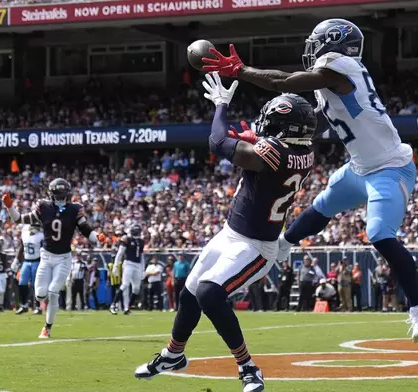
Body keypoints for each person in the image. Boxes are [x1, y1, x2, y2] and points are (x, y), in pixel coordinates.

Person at [203, 18, 418, 341]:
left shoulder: (339, 68)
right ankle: (283, 246)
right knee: (321, 206)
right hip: (360, 167)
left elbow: (283, 80)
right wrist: (257, 135)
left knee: (379, 233)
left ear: (333, 44)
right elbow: (315, 127)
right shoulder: (331, 82)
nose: (312, 49)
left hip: (391, 167)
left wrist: (240, 70)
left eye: (318, 43)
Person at [134, 73, 316, 392]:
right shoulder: (303, 151)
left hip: (257, 246)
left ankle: (248, 367)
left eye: (271, 123)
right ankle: (173, 355)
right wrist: (255, 140)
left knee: (208, 292)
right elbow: (271, 153)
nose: (264, 127)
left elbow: (217, 142)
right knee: (189, 292)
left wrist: (221, 105)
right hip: (231, 233)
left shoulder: (273, 153)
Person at [1, 178, 106, 338]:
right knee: (40, 294)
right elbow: (19, 219)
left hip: (63, 258)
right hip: (46, 257)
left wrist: (96, 237)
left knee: (53, 291)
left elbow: (85, 229)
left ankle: (47, 328)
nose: (60, 198)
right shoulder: (44, 207)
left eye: (62, 194)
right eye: (58, 194)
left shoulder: (75, 209)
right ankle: (43, 314)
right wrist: (9, 207)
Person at [112, 224, 144, 315]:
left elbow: (142, 256)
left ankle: (127, 308)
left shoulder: (141, 241)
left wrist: (143, 269)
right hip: (128, 264)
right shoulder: (127, 239)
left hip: (137, 265)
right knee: (125, 284)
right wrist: (115, 265)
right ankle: (113, 304)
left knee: (136, 289)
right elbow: (120, 253)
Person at [15, 224, 44, 315]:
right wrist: (16, 259)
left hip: (37, 261)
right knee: (22, 283)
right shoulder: (25, 234)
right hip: (26, 261)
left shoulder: (41, 236)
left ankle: (38, 307)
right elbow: (21, 247)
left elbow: (44, 249)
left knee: (36, 284)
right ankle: (24, 305)